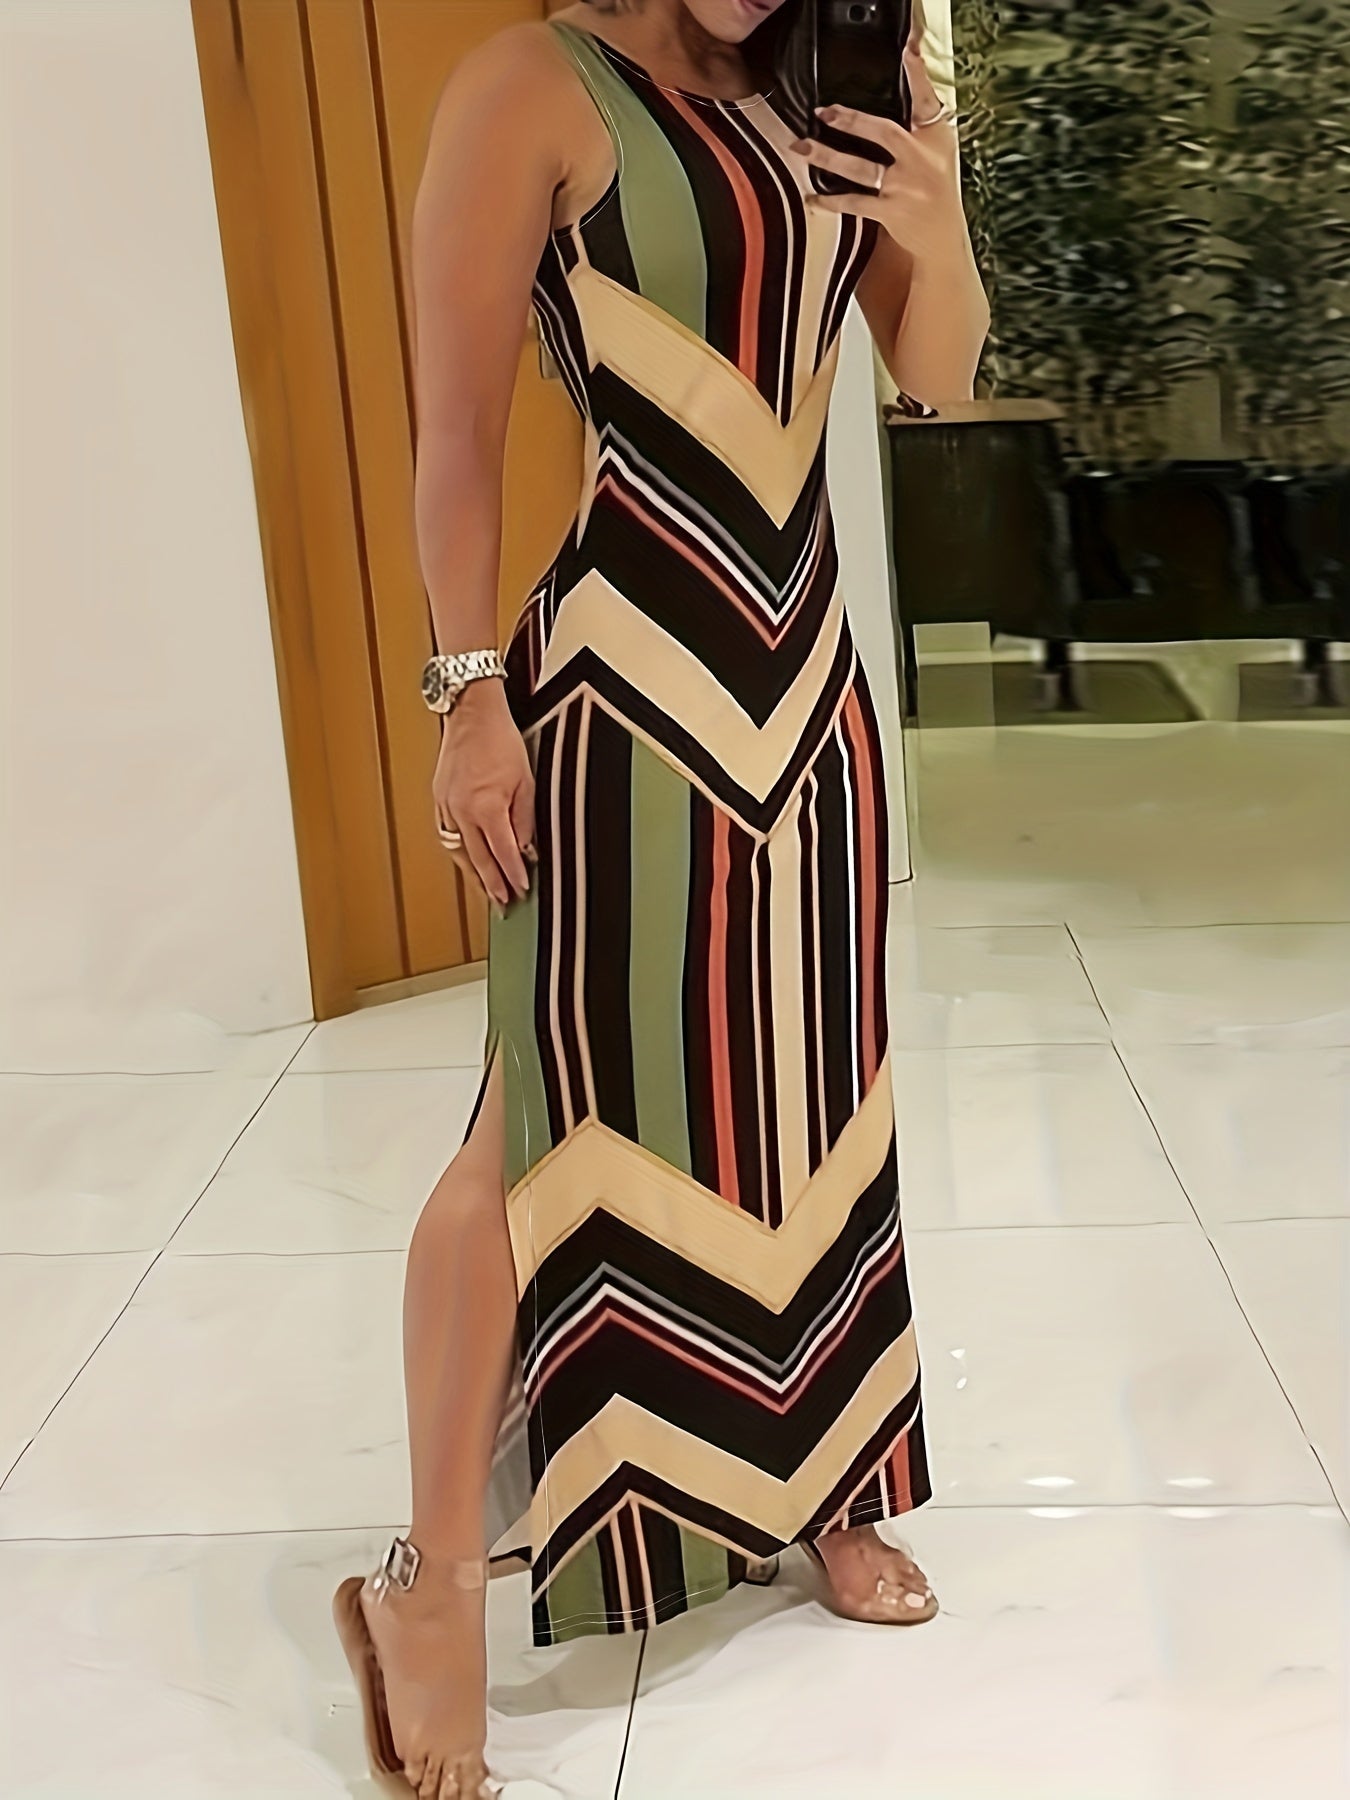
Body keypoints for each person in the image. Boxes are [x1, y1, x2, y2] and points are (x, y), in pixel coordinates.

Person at [332, 2, 989, 1794]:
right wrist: (467, 697)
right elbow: (454, 431)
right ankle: (427, 1590)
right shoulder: (530, 87)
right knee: (531, 1128)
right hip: (616, 695)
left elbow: (932, 376)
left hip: (812, 698)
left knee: (813, 1099)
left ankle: (832, 1483)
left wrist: (934, 224)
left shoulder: (849, 80)